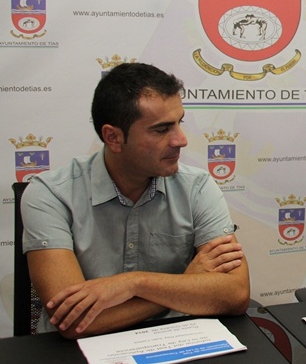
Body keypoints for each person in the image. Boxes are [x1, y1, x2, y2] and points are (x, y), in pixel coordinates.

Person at [21, 63, 250, 338]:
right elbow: (75, 320)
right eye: (161, 129)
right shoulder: (50, 194)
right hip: (76, 352)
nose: (181, 140)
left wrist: (134, 283)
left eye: (179, 123)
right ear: (114, 138)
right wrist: (184, 285)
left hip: (174, 340)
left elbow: (236, 293)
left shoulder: (197, 187)